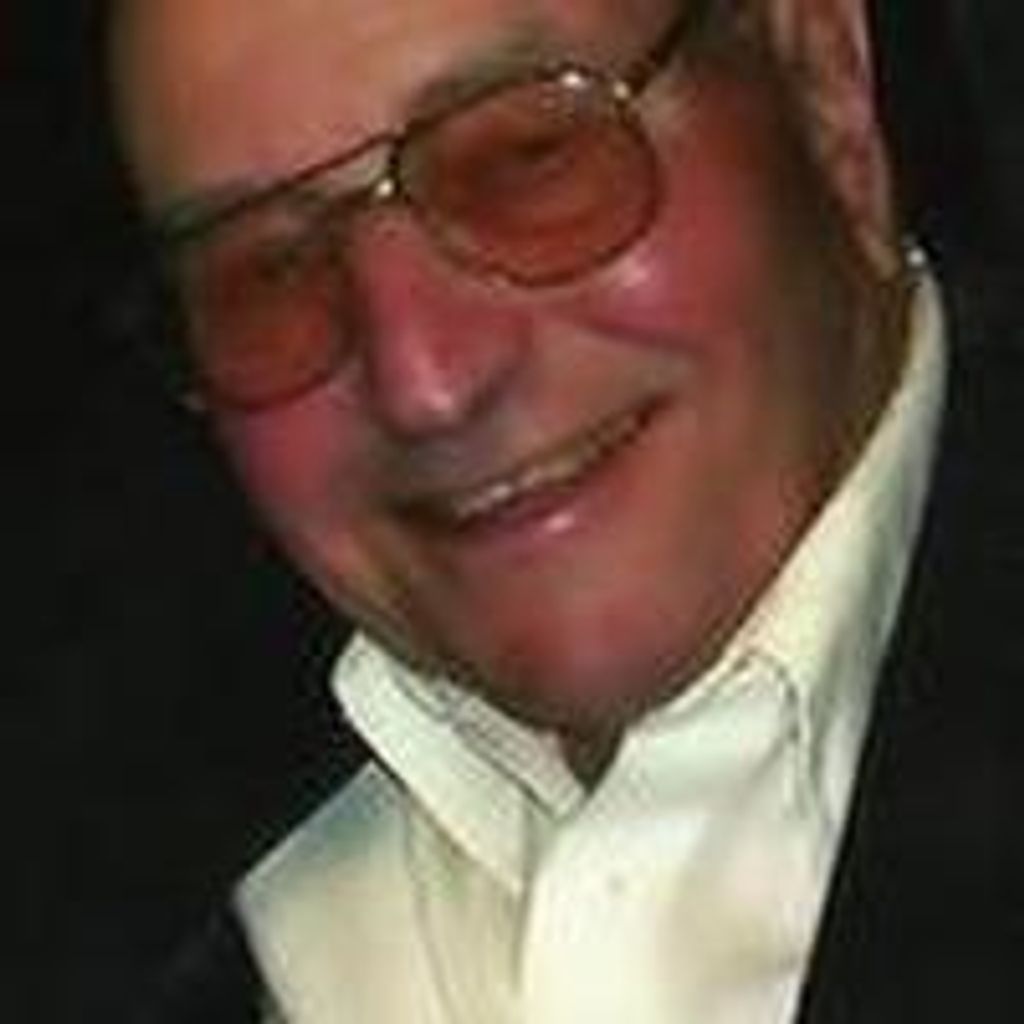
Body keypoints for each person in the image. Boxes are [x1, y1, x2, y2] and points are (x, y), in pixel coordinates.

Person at [105, 0, 1023, 1020]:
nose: (426, 384)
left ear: (826, 91)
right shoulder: (109, 895)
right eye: (263, 272)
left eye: (525, 158)